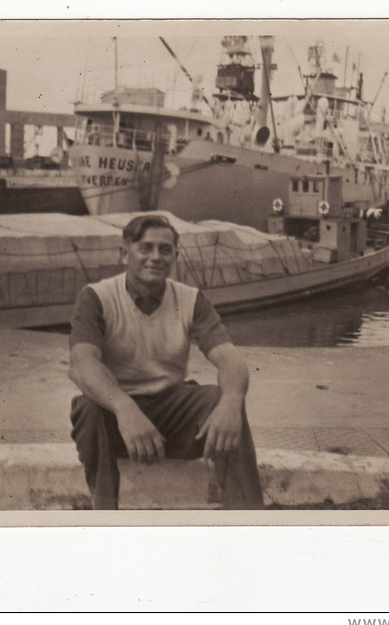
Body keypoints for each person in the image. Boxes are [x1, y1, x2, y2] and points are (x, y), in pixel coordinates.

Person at [68, 214, 265, 510]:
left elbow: (230, 359)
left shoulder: (190, 299)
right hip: (118, 422)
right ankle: (105, 516)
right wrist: (125, 409)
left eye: (165, 250)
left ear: (175, 255)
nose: (155, 257)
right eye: (145, 248)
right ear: (125, 254)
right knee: (88, 407)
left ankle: (247, 519)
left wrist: (232, 401)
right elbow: (82, 364)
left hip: (172, 416)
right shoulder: (96, 297)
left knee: (218, 399)